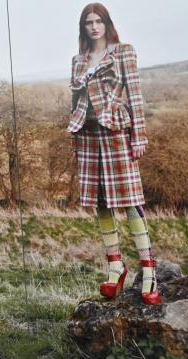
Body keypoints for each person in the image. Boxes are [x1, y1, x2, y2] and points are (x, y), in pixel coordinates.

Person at [68, 3, 160, 305]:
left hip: (116, 134)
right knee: (100, 203)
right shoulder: (78, 60)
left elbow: (134, 93)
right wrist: (74, 138)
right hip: (88, 136)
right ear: (83, 28)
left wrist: (139, 136)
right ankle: (115, 265)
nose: (94, 27)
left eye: (99, 21)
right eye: (88, 23)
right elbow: (75, 102)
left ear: (107, 24)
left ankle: (149, 271)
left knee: (132, 202)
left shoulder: (124, 52)